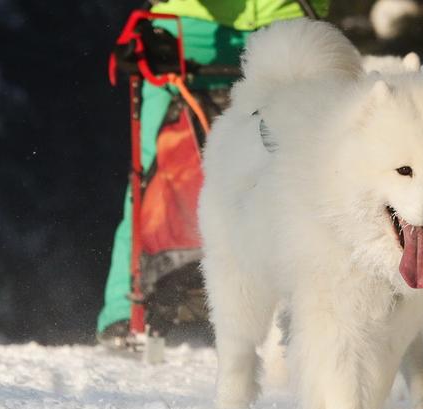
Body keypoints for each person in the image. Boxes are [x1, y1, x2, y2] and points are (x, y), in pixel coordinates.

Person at [97, 0, 330, 344]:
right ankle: (127, 308)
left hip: (277, 22)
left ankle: (317, 305)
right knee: (156, 164)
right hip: (202, 24)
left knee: (308, 167)